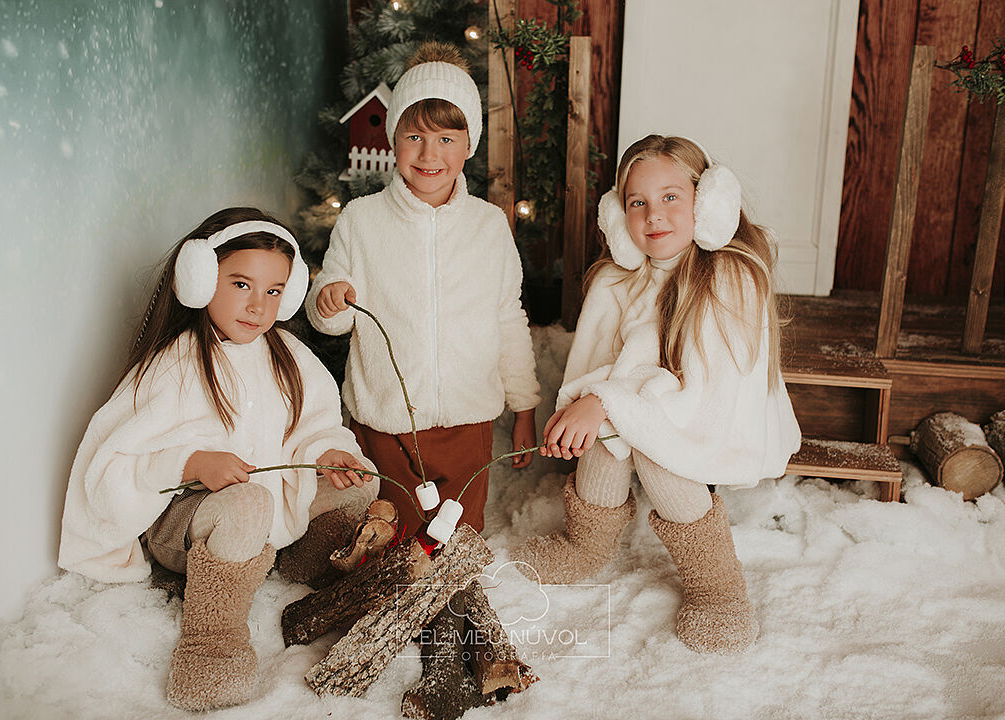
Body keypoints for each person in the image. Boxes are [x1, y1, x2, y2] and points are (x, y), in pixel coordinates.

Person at [58, 208, 378, 710]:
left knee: (361, 479)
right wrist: (191, 464)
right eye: (241, 285)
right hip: (189, 525)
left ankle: (305, 559)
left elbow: (314, 426)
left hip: (269, 517)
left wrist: (328, 452)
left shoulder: (288, 355)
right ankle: (213, 637)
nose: (258, 306)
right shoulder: (177, 362)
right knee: (247, 504)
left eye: (274, 291)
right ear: (201, 278)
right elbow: (114, 461)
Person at [514, 135, 801, 654]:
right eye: (636, 202)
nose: (654, 216)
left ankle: (717, 586)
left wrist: (607, 401)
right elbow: (601, 367)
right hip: (652, 405)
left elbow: (705, 397)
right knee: (610, 424)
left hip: (710, 422)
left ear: (706, 204)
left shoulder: (730, 278)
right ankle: (586, 545)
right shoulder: (618, 279)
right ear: (618, 215)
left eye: (671, 197)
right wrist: (598, 403)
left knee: (647, 435)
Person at [306, 42, 540, 538]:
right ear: (393, 138)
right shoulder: (362, 221)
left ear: (469, 144)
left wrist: (525, 405)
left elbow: (507, 316)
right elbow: (334, 313)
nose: (430, 154)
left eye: (447, 138)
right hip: (387, 421)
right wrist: (329, 299)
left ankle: (451, 583)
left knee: (456, 543)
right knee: (391, 540)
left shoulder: (489, 226)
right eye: (414, 136)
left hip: (467, 422)